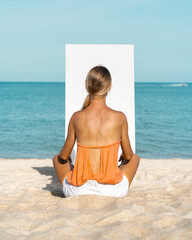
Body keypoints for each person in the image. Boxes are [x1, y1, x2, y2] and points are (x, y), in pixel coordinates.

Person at [52, 65, 140, 198]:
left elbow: (63, 156)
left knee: (56, 159)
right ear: (109, 86)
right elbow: (128, 156)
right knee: (135, 159)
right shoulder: (120, 117)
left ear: (87, 85)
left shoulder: (77, 117)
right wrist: (123, 155)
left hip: (78, 191)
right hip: (112, 191)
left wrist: (68, 161)